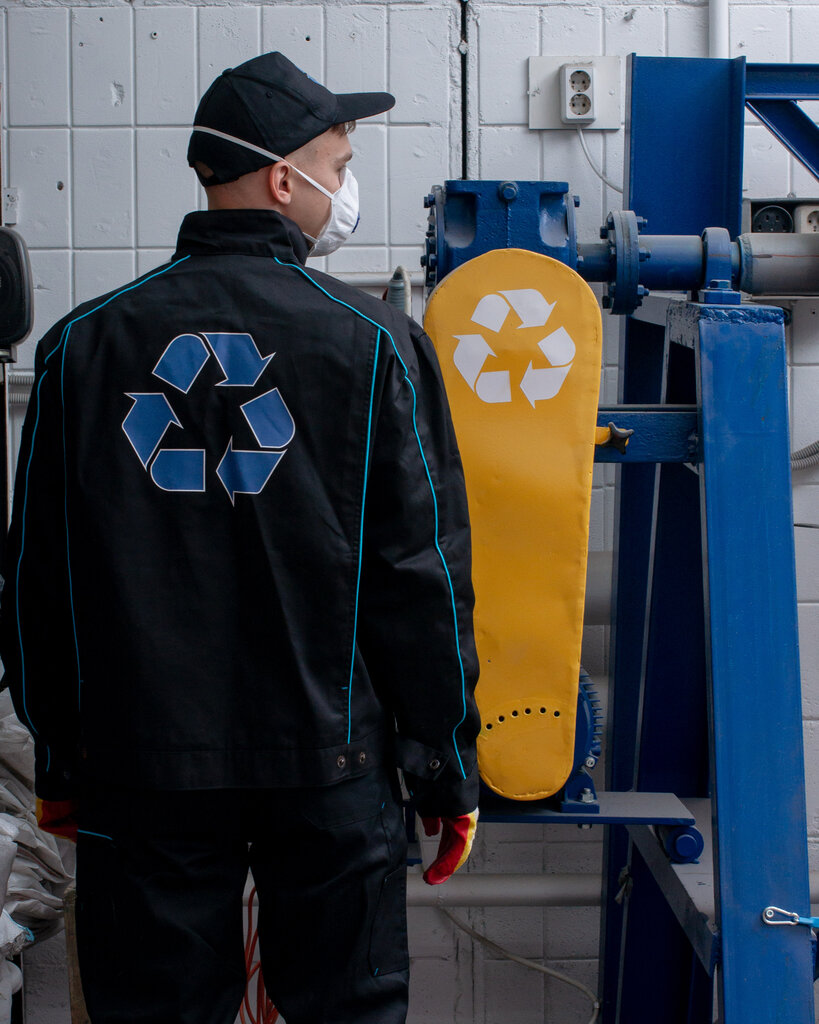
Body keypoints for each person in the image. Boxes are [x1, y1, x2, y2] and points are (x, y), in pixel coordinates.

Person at [0, 51, 480, 1024]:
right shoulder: (376, 341)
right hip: (332, 768)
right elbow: (420, 576)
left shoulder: (81, 346)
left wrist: (60, 756)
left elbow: (36, 579)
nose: (345, 189)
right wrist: (443, 764)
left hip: (141, 770)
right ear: (283, 180)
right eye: (339, 167)